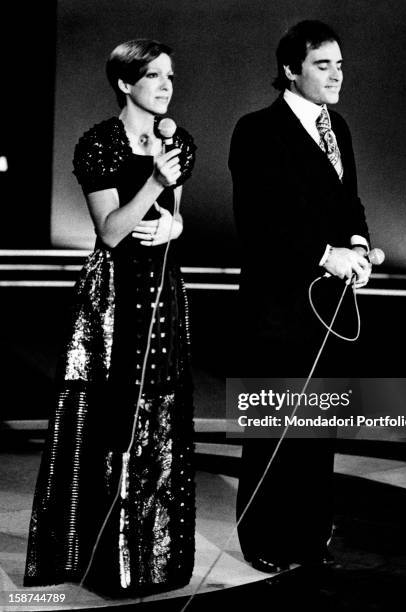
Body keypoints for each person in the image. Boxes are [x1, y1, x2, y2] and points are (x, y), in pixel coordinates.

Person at [24, 39, 196, 595]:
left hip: (163, 293)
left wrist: (175, 226)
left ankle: (156, 560)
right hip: (115, 300)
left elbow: (174, 219)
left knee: (160, 414)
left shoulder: (179, 143)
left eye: (170, 75)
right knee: (113, 415)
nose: (167, 85)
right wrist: (154, 184)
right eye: (154, 76)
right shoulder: (98, 144)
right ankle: (105, 561)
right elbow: (111, 231)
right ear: (125, 83)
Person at [229, 20, 372, 573]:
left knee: (319, 427)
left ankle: (310, 535)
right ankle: (263, 537)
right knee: (275, 427)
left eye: (340, 63)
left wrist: (357, 244)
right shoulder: (257, 130)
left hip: (330, 306)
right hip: (278, 305)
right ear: (290, 70)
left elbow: (348, 203)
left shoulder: (339, 127)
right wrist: (323, 254)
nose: (337, 74)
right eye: (323, 64)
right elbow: (259, 223)